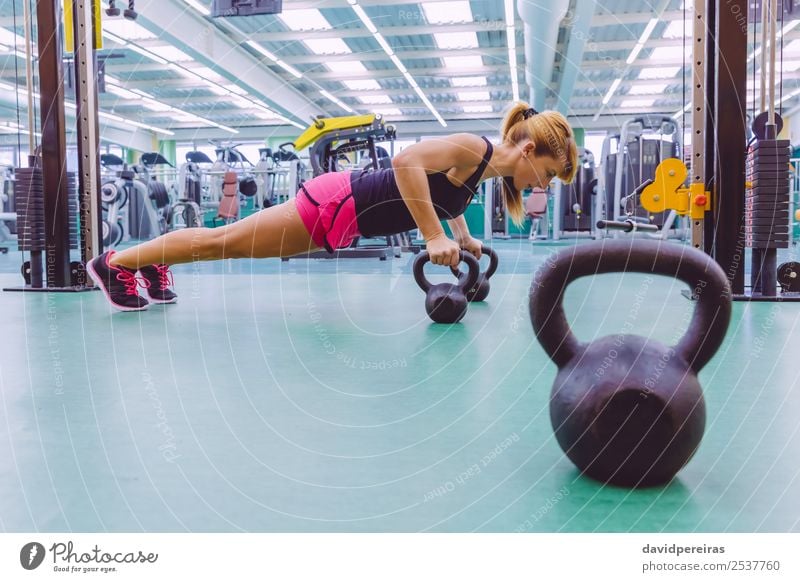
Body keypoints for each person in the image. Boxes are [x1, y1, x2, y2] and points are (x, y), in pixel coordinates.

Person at [87, 102, 578, 311]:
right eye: (551, 174)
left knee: (225, 244)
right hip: (336, 203)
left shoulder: (482, 170)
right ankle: (114, 263)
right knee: (223, 242)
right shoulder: (475, 147)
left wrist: (461, 235)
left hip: (345, 218)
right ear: (530, 151)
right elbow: (406, 162)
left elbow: (440, 192)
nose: (548, 185)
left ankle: (149, 266)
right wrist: (433, 236)